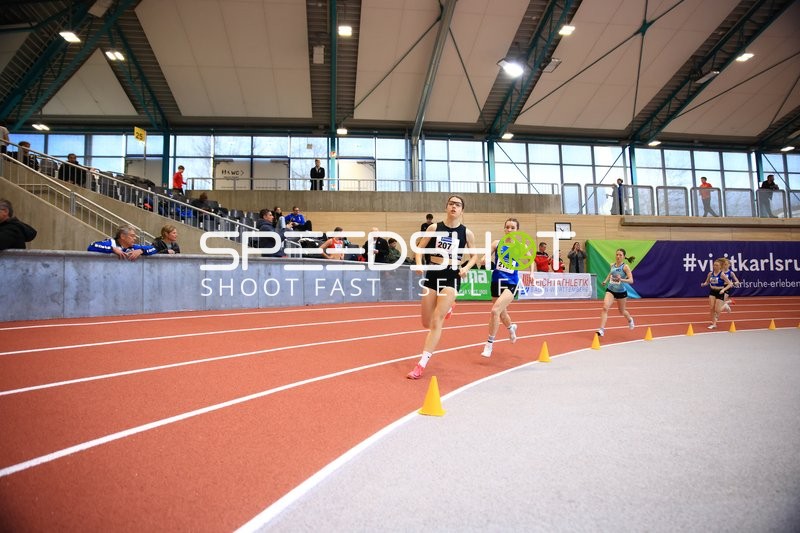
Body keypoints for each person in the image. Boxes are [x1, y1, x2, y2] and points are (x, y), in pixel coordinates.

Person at [407, 195, 479, 379]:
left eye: (458, 204)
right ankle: (451, 307)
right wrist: (418, 263)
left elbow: (474, 257)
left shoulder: (466, 233)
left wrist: (466, 268)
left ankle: (421, 364)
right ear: (446, 207)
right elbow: (419, 248)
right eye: (451, 204)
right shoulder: (434, 228)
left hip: (451, 275)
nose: (454, 207)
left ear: (462, 210)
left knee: (437, 320)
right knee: (426, 322)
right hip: (432, 273)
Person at [480, 218, 525, 358]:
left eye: (513, 227)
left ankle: (489, 344)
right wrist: (485, 259)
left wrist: (531, 274)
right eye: (507, 227)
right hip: (496, 281)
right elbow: (484, 257)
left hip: (511, 283)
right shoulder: (497, 243)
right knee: (501, 313)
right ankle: (511, 328)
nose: (510, 230)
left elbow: (531, 261)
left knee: (495, 311)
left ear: (517, 230)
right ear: (504, 229)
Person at [596, 248, 636, 337]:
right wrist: (605, 281)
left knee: (621, 311)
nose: (618, 256)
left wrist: (621, 279)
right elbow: (610, 273)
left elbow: (631, 280)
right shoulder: (612, 265)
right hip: (610, 290)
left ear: (624, 257)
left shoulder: (625, 267)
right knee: (605, 308)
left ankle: (630, 319)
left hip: (621, 292)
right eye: (617, 254)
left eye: (620, 255)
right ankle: (601, 330)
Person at [88, 225, 157, 261]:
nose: (135, 238)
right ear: (122, 236)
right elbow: (91, 246)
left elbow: (154, 249)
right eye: (132, 236)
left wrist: (141, 250)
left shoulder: (133, 247)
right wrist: (112, 249)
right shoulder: (110, 243)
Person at [700, 258, 733, 329]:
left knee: (717, 310)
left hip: (720, 292)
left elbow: (730, 284)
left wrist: (723, 290)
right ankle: (714, 324)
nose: (715, 266)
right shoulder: (710, 273)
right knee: (711, 308)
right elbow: (707, 282)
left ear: (720, 267)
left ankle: (725, 305)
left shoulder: (722, 275)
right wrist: (704, 284)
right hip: (712, 291)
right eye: (714, 265)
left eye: (716, 265)